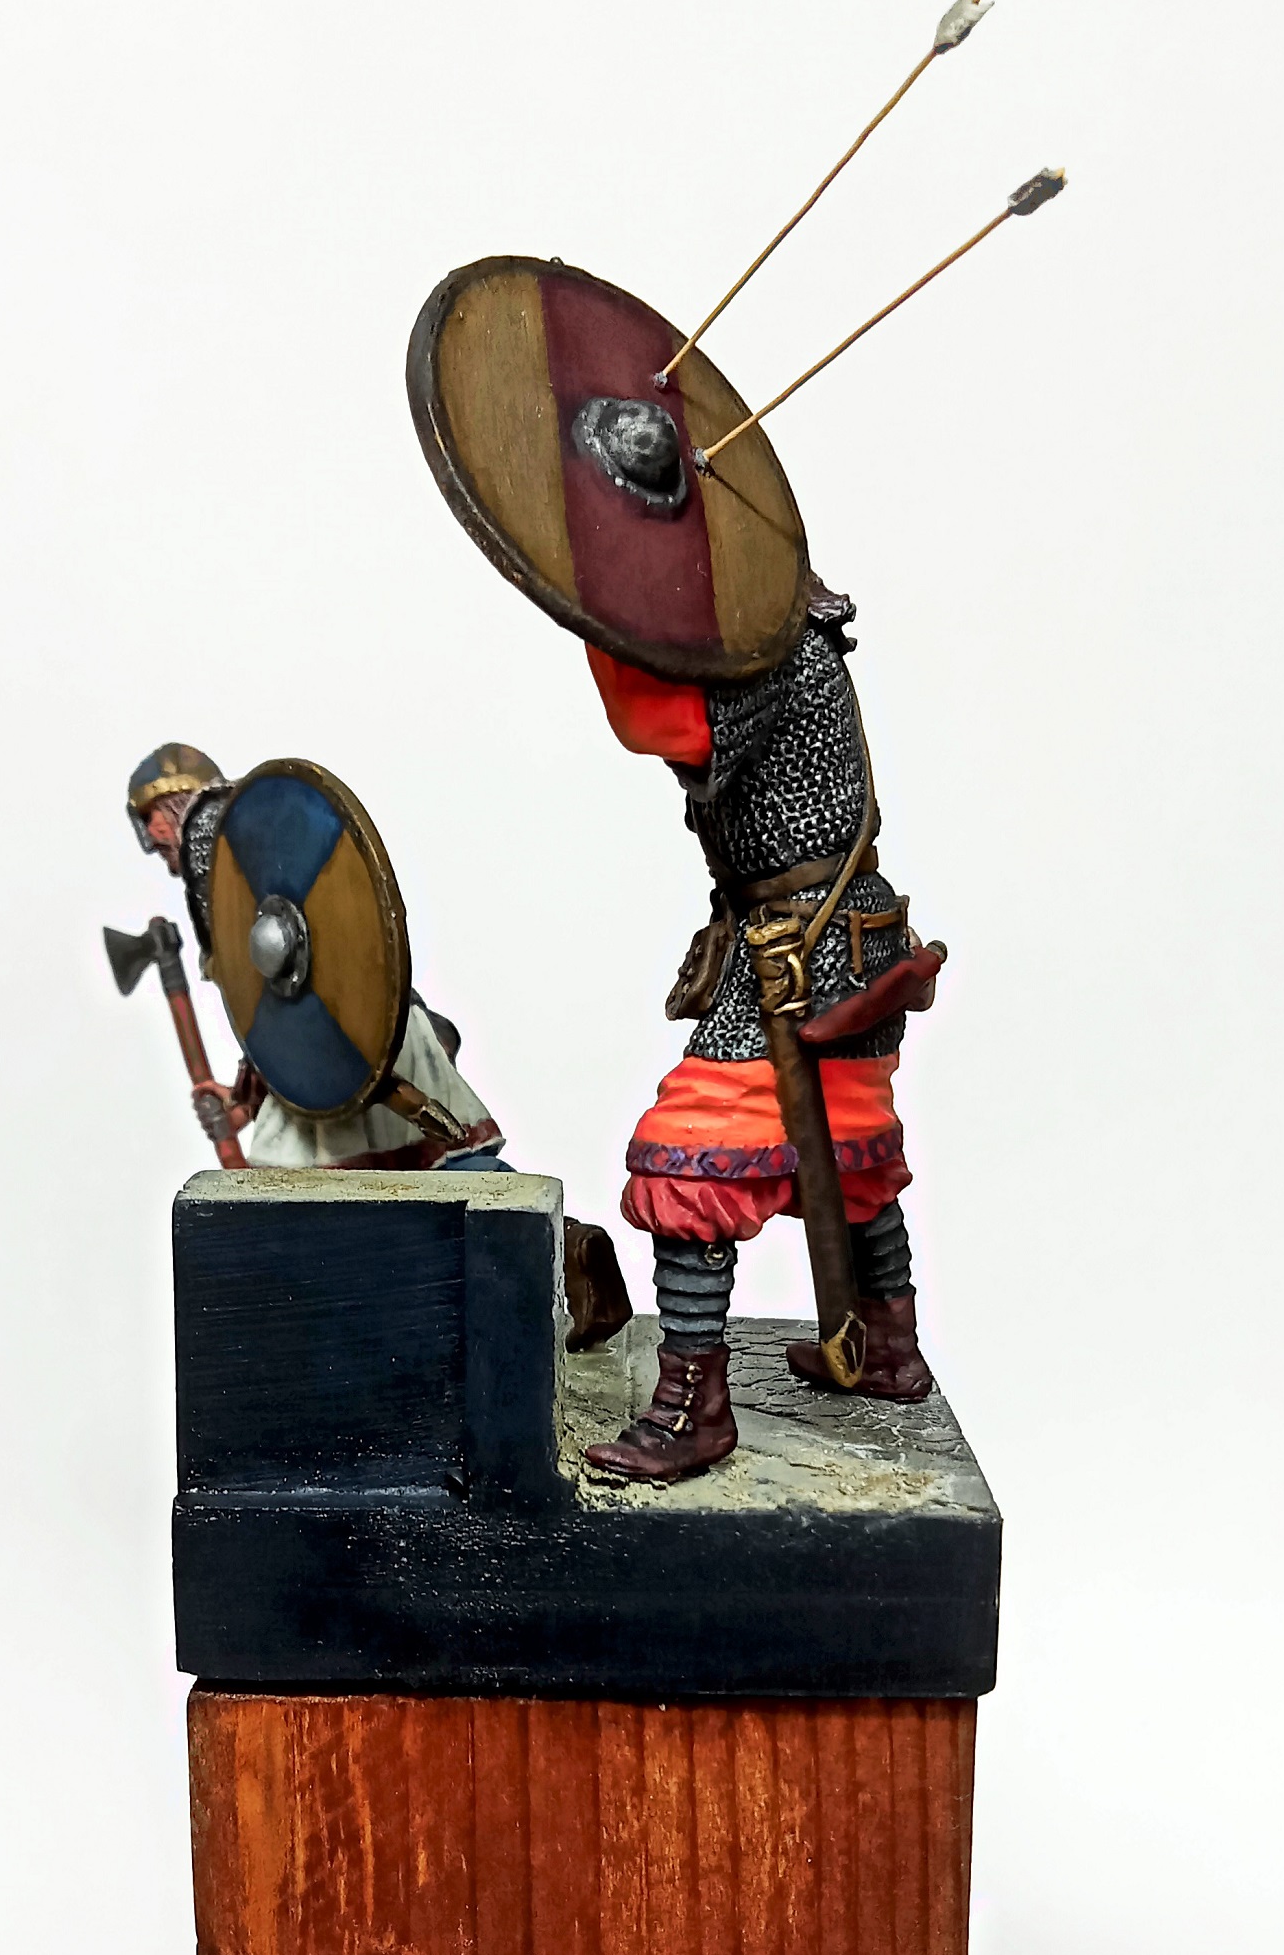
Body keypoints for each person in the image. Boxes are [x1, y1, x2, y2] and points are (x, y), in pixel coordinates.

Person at [579, 580, 938, 1484]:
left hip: (810, 949)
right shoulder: (770, 634)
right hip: (826, 938)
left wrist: (594, 603)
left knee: (683, 1162)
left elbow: (663, 721)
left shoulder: (771, 646)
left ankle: (692, 1411)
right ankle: (887, 1348)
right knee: (847, 1150)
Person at [126, 743, 505, 1171]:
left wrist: (248, 1094)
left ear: (175, 801)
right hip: (344, 1046)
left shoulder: (209, 836)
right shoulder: (240, 849)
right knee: (427, 1173)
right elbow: (269, 1012)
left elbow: (271, 1000)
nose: (151, 836)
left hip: (344, 1047)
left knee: (299, 1187)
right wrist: (242, 1100)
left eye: (151, 817)